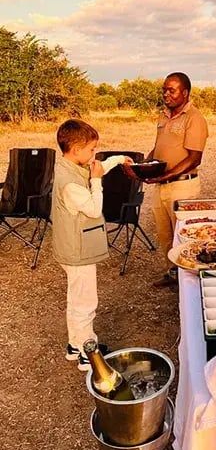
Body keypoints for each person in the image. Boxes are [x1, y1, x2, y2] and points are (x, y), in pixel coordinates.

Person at [51, 119, 133, 371]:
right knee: (85, 303)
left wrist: (119, 159)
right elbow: (95, 208)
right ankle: (88, 353)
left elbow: (97, 167)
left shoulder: (70, 164)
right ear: (76, 150)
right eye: (91, 150)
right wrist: (97, 182)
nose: (94, 155)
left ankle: (76, 345)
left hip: (72, 247)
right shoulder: (71, 184)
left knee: (76, 299)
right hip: (77, 250)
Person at [145, 72, 208, 288]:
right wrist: (144, 165)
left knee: (184, 235)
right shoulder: (163, 116)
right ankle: (173, 273)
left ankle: (189, 280)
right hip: (161, 186)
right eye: (164, 89)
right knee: (165, 235)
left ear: (185, 92)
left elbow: (194, 158)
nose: (166, 94)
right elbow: (158, 147)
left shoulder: (194, 118)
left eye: (171, 90)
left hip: (183, 186)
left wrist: (165, 175)